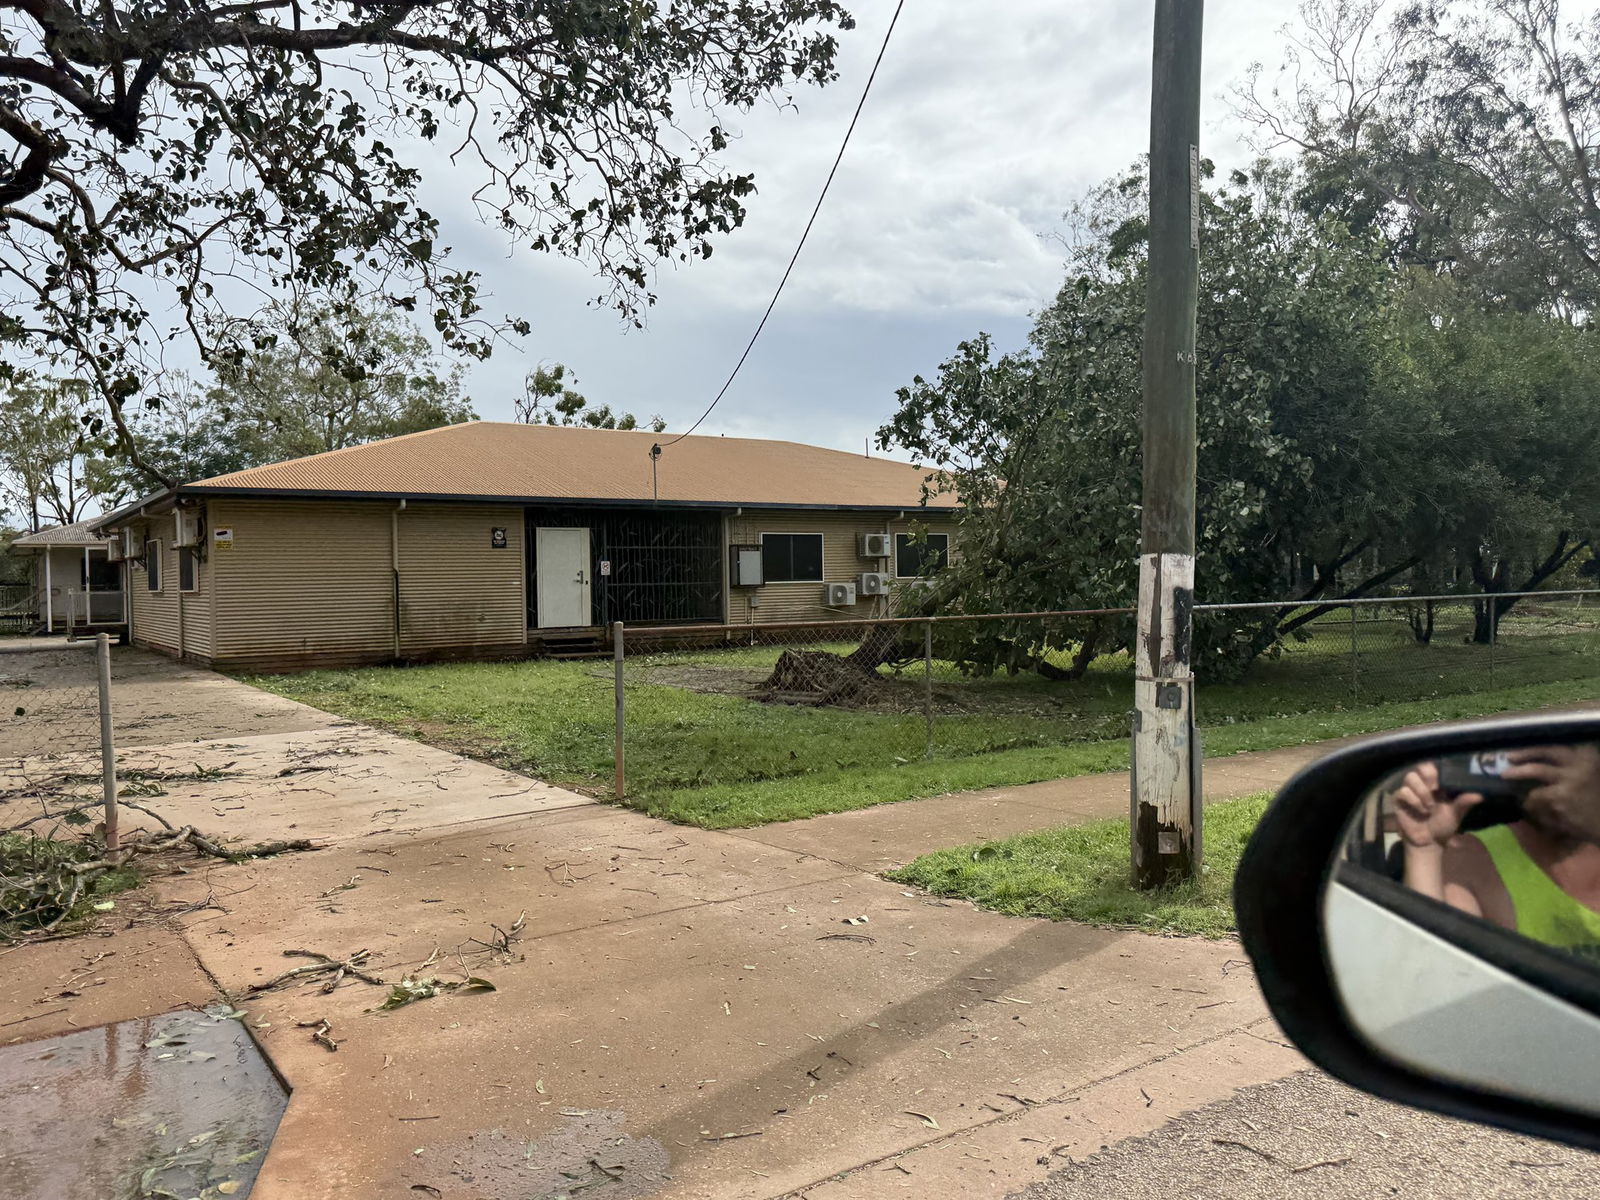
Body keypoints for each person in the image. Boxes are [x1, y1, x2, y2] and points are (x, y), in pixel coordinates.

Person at [1393, 744, 1600, 957]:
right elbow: (1434, 967)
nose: (1547, 777)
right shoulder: (1471, 859)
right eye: (1533, 761)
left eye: (1560, 760)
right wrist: (1425, 850)